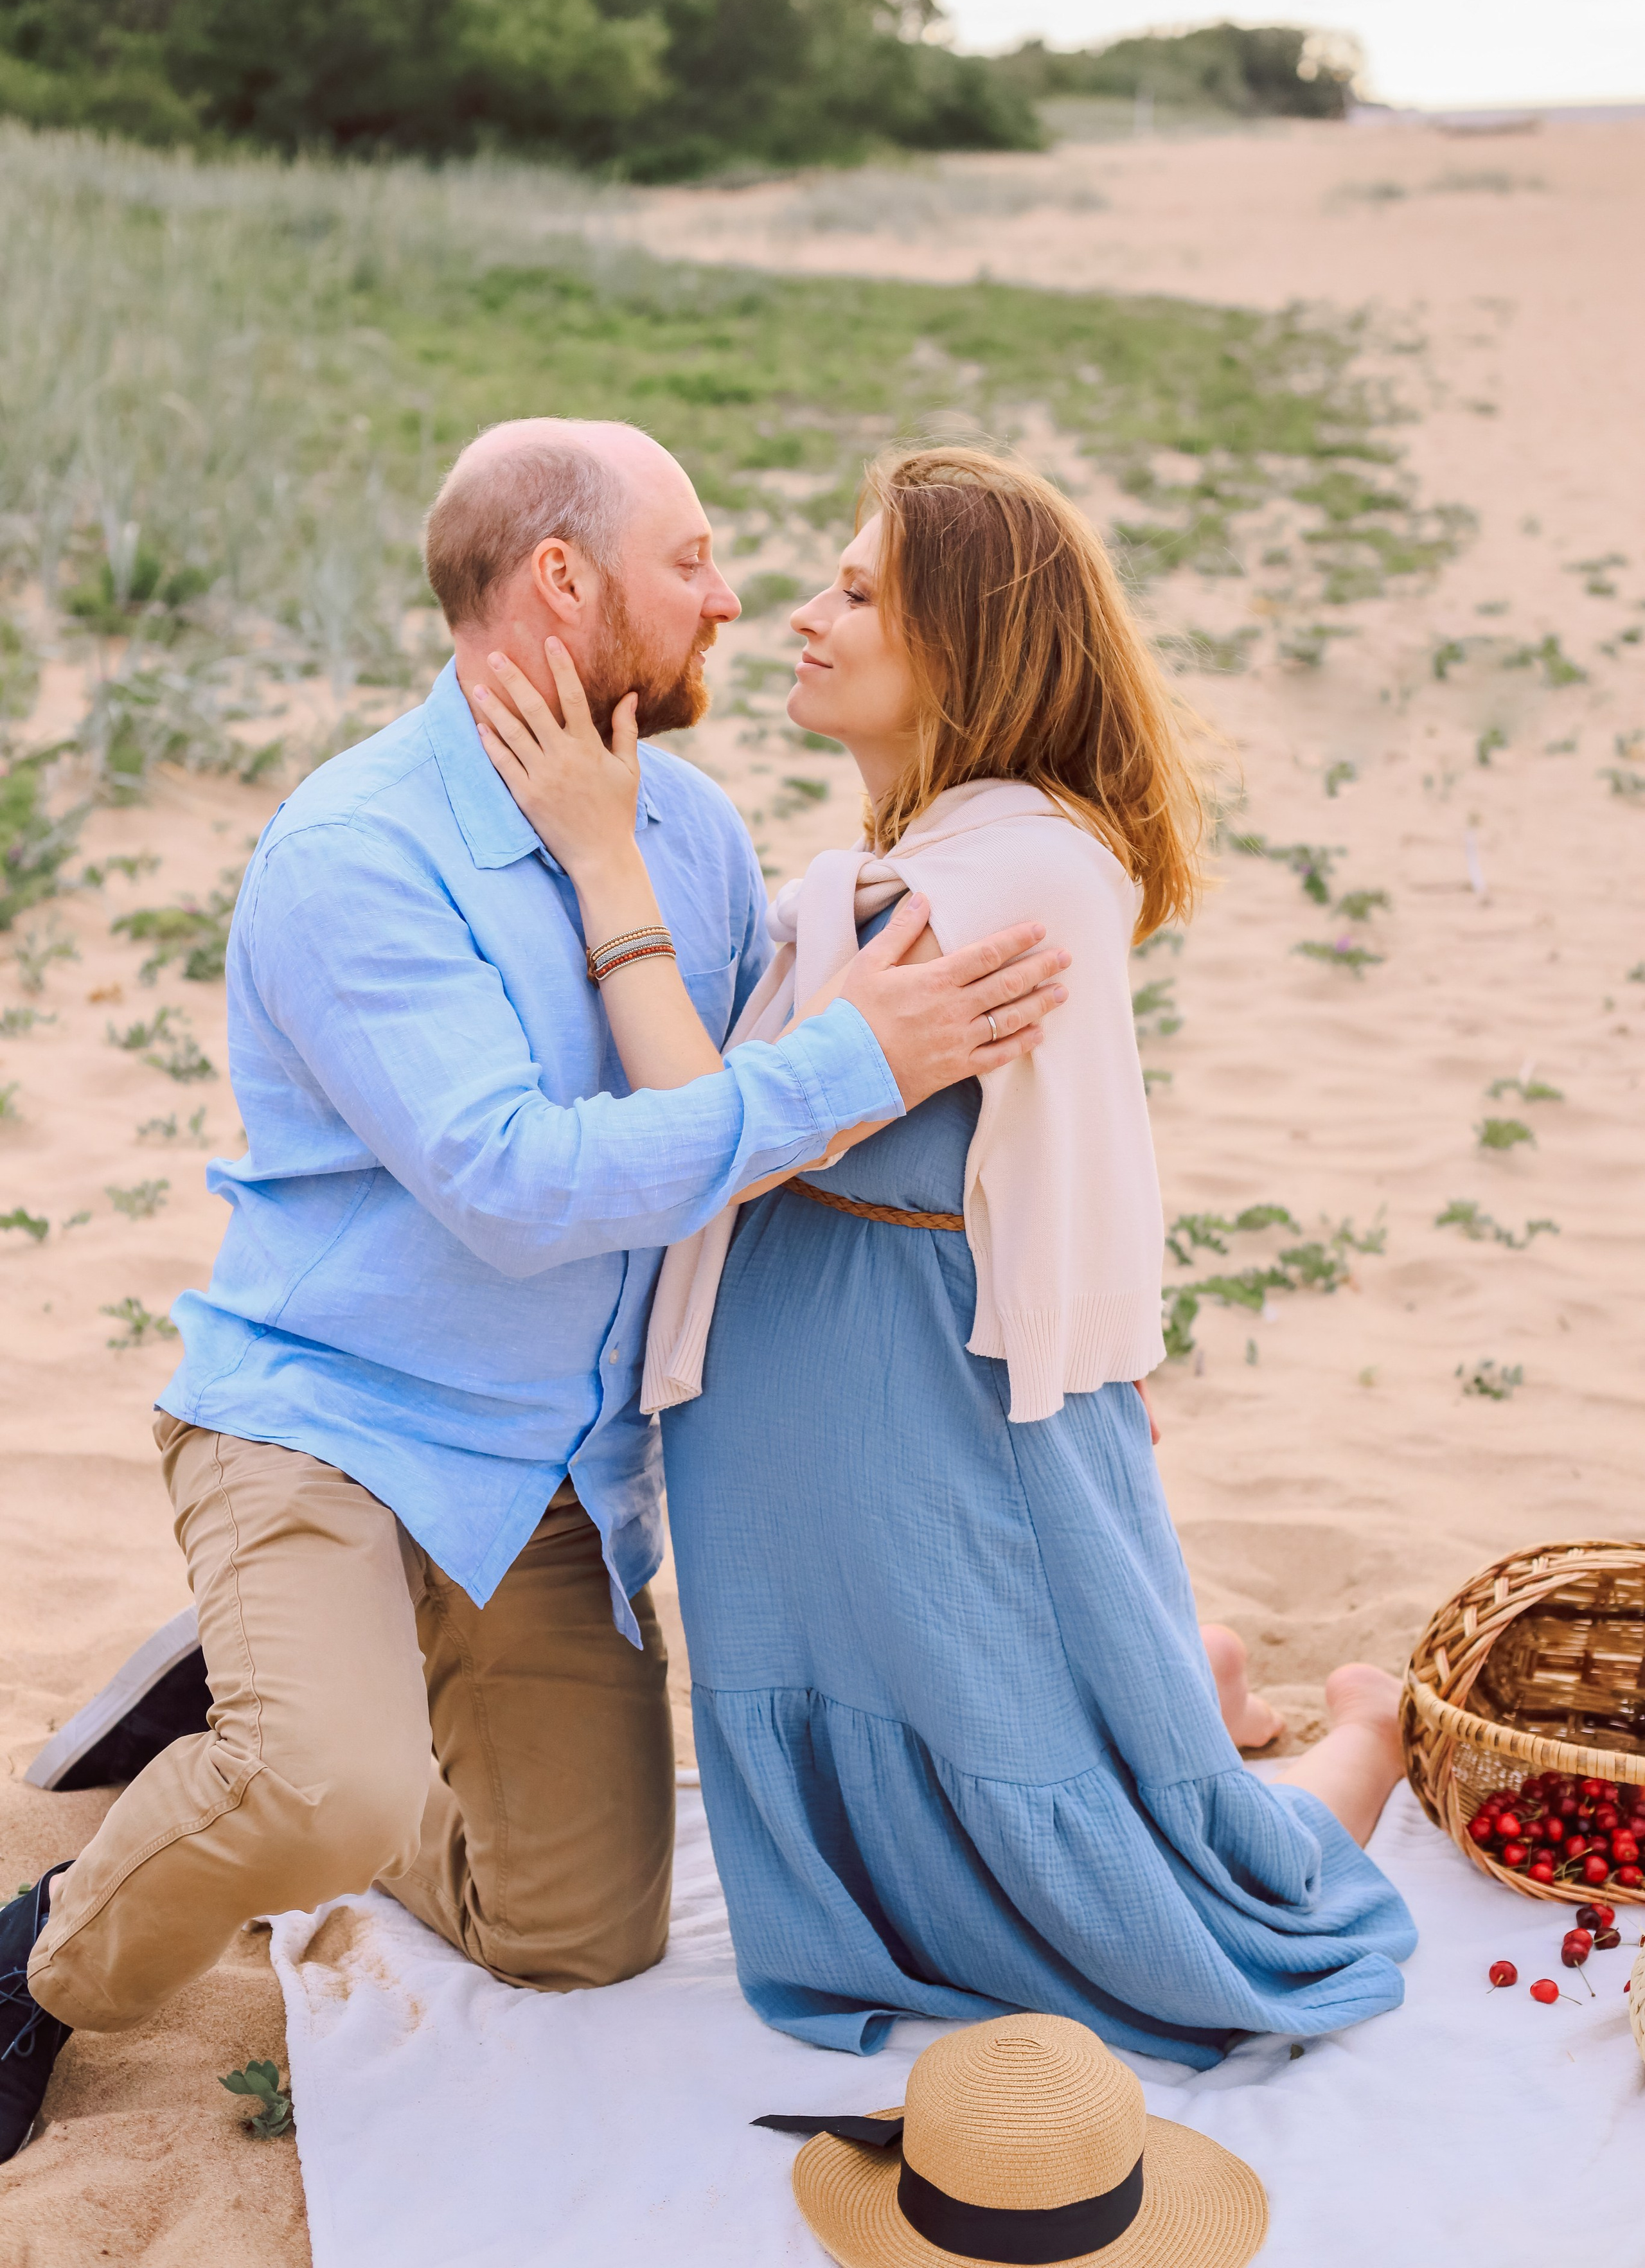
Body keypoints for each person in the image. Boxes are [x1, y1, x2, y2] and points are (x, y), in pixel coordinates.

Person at [0, 421, 1072, 2161]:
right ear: (562, 583)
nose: (732, 601)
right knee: (317, 1795)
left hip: (558, 1473)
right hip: (325, 1423)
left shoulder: (695, 834)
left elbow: (712, 1130)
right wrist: (848, 1065)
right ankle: (43, 1955)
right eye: (693, 560)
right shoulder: (354, 852)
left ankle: (290, 1716)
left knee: (578, 1938)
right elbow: (521, 1187)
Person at [475, 443, 1417, 2071]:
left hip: (927, 1394)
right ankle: (1192, 1681)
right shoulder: (901, 861)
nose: (797, 613)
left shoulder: (1012, 867)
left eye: (856, 593)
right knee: (924, 1780)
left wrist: (598, 850)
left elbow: (722, 1113)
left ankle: (1357, 1744)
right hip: (800, 1401)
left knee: (1171, 1928)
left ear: (966, 649)